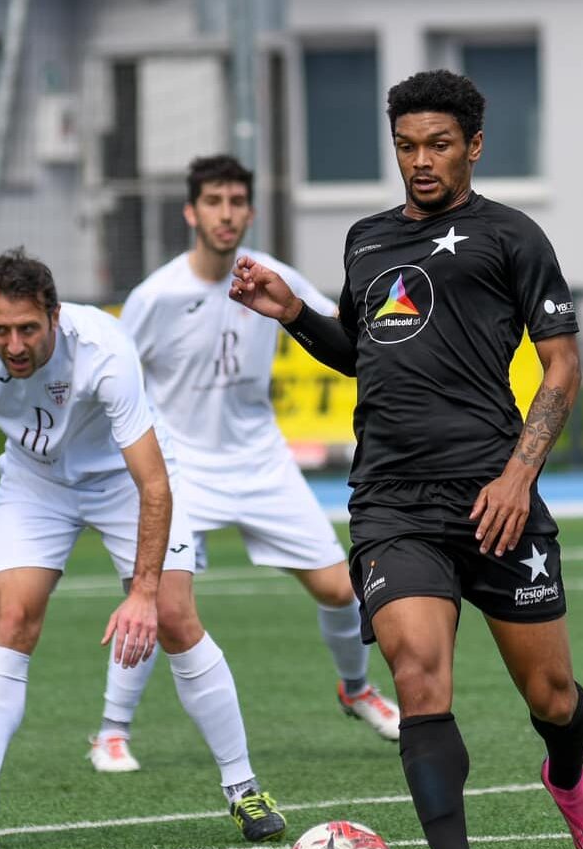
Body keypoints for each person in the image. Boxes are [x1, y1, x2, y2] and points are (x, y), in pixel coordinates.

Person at [229, 69, 583, 849]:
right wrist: (292, 311)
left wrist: (519, 476)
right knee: (418, 679)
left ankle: (567, 781)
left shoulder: (512, 237)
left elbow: (562, 366)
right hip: (392, 501)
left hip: (495, 492)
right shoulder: (367, 242)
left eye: (438, 144)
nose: (421, 162)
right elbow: (364, 352)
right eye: (406, 146)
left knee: (553, 696)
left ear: (474, 145)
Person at [0, 248, 287, 849]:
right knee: (12, 618)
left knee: (178, 619)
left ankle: (244, 788)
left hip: (124, 483)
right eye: (0, 329)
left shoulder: (104, 350)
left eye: (28, 328)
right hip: (37, 483)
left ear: (54, 316)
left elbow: (153, 485)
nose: (14, 344)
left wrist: (143, 593)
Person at [88, 154, 400, 773]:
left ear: (250, 210)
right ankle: (111, 730)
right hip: (181, 471)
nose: (226, 213)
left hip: (261, 464)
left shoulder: (272, 275)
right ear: (191, 211)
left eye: (236, 202)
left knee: (344, 589)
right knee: (157, 599)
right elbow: (115, 374)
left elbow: (337, 328)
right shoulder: (156, 296)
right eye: (214, 202)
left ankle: (356, 688)